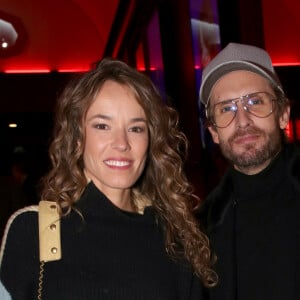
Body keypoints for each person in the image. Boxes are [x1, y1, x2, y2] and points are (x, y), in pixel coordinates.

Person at [0, 57, 217, 299]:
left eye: (135, 128)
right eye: (102, 126)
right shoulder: (33, 231)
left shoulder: (175, 238)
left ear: (151, 140)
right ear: (78, 137)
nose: (122, 144)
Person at [197, 42, 300, 300]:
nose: (242, 120)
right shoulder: (200, 233)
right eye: (226, 109)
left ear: (283, 114)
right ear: (213, 133)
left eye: (255, 101)